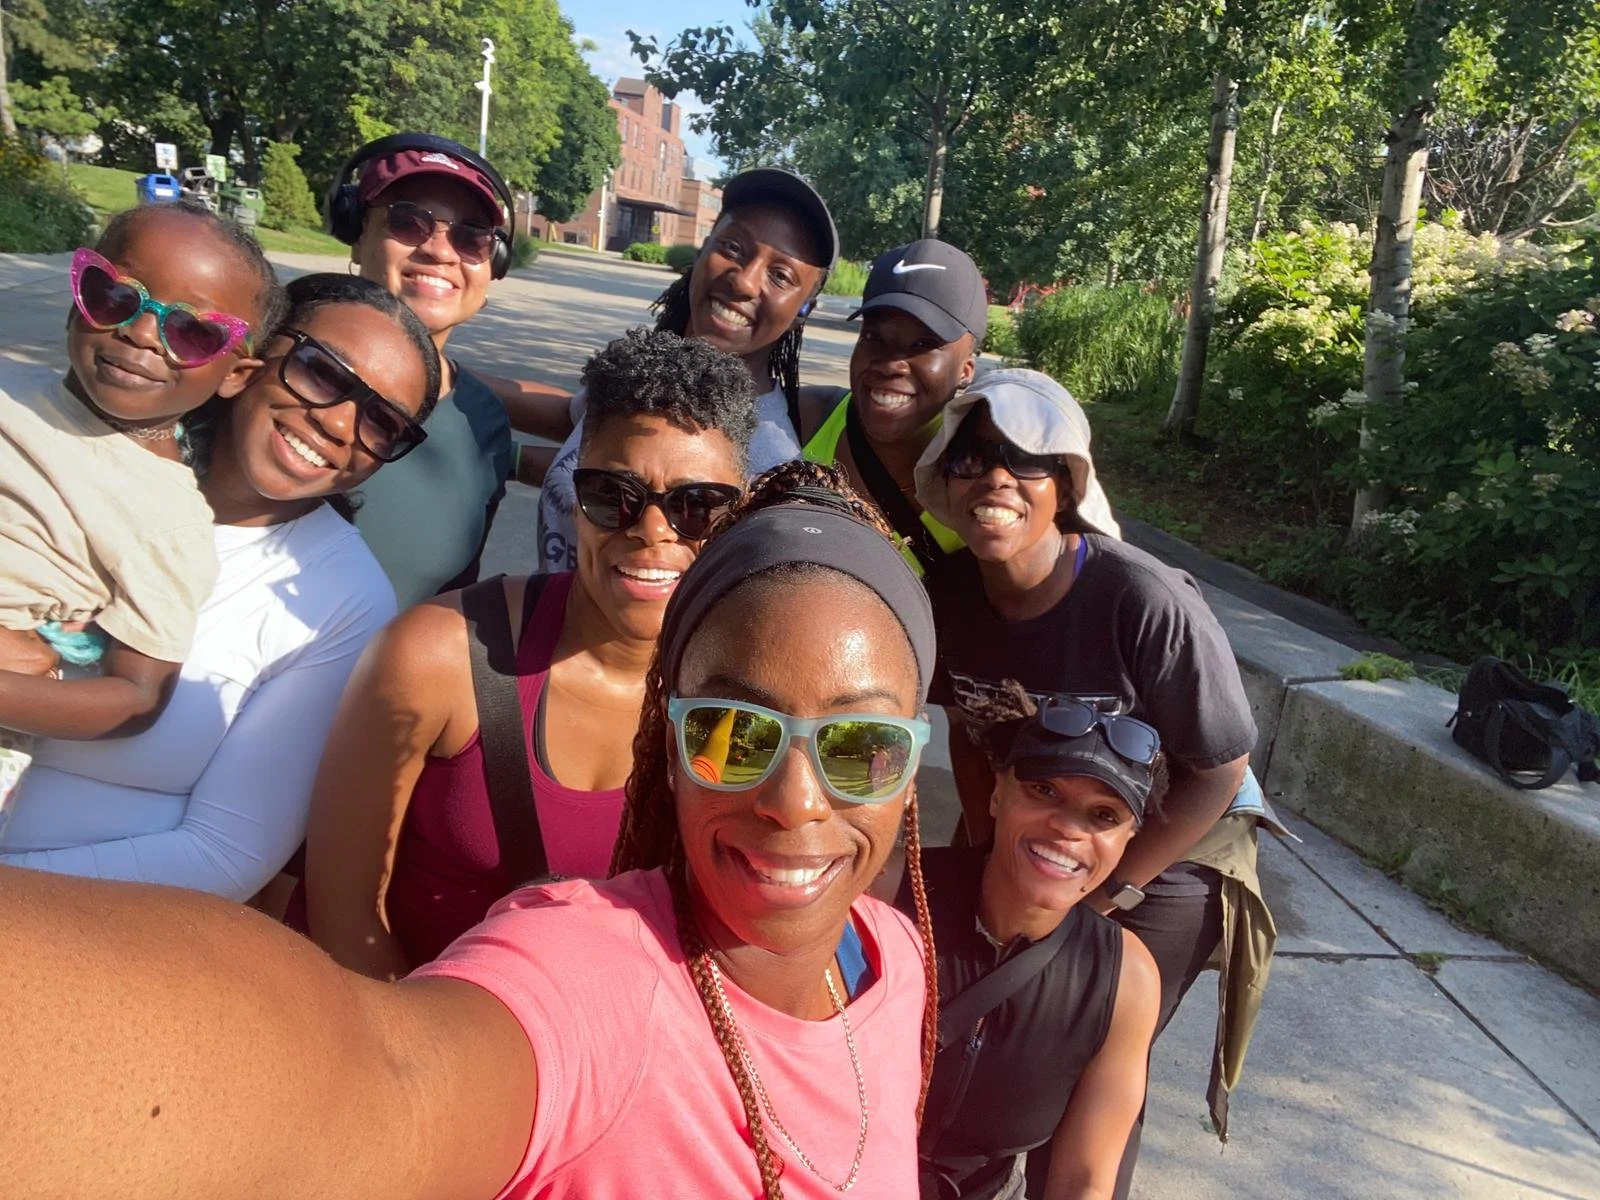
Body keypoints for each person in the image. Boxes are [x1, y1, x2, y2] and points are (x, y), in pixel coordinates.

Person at [0, 463, 939, 1200]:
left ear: (914, 759)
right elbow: (378, 1075)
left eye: (862, 744)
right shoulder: (587, 973)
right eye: (734, 733)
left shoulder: (889, 958)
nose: (796, 800)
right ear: (668, 743)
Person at [913, 368, 1274, 1191]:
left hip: (1172, 844)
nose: (996, 477)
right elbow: (969, 727)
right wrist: (985, 840)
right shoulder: (949, 598)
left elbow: (1220, 770)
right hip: (1041, 816)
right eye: (973, 457)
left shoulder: (1138, 599)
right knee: (1000, 1035)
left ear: (1065, 486)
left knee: (1092, 1048)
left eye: (1024, 460)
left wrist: (1115, 889)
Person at [301, 328, 756, 978]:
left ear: (737, 514)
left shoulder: (747, 699)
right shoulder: (439, 657)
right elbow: (342, 919)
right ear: (572, 493)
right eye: (614, 496)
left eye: (697, 507)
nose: (652, 531)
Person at [0, 274, 438, 900]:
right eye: (322, 372)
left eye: (382, 423)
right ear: (246, 361)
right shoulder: (61, 449)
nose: (341, 424)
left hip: (66, 932)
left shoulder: (339, 599)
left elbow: (224, 854)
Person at [0, 202, 280, 809]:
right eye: (114, 295)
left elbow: (137, 697)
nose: (141, 332)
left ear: (235, 375)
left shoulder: (168, 520)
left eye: (193, 332)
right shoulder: (9, 382)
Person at [878, 681, 1163, 1199]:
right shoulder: (890, 890)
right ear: (997, 792)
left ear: (1127, 841)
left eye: (1104, 816)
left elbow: (1083, 1181)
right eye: (1044, 791)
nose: (1067, 829)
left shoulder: (1125, 980)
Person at [537, 167, 838, 573]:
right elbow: (575, 433)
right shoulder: (644, 382)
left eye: (780, 275)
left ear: (804, 311)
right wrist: (451, 389)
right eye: (732, 248)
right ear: (702, 250)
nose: (745, 282)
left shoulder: (765, 464)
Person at [329, 132, 573, 608]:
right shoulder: (277, 372)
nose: (440, 251)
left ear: (494, 263)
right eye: (408, 221)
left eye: (471, 235)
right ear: (357, 235)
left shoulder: (484, 422)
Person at [800, 238, 987, 581]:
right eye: (874, 337)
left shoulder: (981, 480)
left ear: (966, 370)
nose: (891, 364)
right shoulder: (805, 422)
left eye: (923, 345)